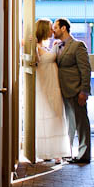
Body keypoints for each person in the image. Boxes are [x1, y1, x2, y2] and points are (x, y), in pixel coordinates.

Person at [52, 18, 92, 164]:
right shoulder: (56, 46)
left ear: (63, 28)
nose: (53, 31)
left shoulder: (78, 45)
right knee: (69, 123)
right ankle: (67, 152)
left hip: (76, 90)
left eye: (55, 28)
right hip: (62, 91)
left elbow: (85, 69)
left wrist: (84, 91)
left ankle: (84, 155)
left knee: (81, 123)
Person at [33, 18, 70, 162]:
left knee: (56, 116)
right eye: (50, 28)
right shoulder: (35, 46)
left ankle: (56, 152)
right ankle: (46, 151)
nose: (52, 30)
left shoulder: (48, 46)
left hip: (54, 85)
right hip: (44, 85)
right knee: (46, 116)